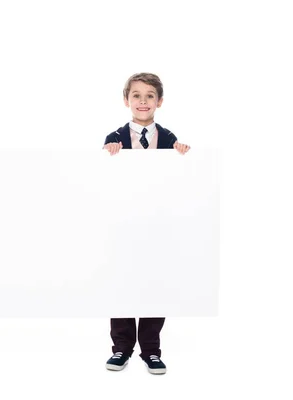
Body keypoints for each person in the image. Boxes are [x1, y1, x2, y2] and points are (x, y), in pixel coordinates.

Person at [102, 73, 190, 375]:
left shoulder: (168, 140)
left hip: (158, 227)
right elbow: (104, 181)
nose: (143, 101)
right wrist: (108, 156)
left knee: (156, 284)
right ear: (126, 101)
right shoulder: (113, 139)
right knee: (121, 285)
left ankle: (151, 350)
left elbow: (181, 181)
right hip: (123, 226)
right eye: (136, 95)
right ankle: (121, 348)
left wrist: (183, 157)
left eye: (149, 96)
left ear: (160, 102)